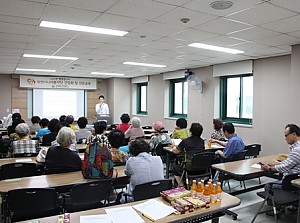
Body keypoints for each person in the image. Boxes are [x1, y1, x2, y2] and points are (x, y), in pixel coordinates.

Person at [116, 139, 164, 203]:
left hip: (138, 197)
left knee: (120, 195)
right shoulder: (158, 159)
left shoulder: (131, 161)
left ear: (132, 151)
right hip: (156, 195)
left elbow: (127, 173)